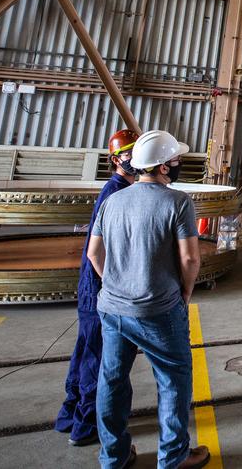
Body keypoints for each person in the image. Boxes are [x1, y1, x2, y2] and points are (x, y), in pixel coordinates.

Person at [88, 129, 209, 469]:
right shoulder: (178, 201)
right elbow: (190, 259)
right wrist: (184, 291)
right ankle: (172, 457)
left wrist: (116, 284)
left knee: (111, 380)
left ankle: (113, 457)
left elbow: (95, 254)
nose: (179, 165)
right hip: (158, 308)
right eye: (176, 160)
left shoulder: (112, 200)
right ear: (165, 166)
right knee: (173, 380)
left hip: (112, 308)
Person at [55, 128, 139, 447]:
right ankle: (86, 425)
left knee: (84, 353)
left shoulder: (117, 188)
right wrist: (112, 285)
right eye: (128, 153)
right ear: (116, 159)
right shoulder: (116, 193)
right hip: (99, 289)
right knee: (97, 359)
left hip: (93, 287)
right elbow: (98, 250)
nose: (134, 158)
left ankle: (69, 414)